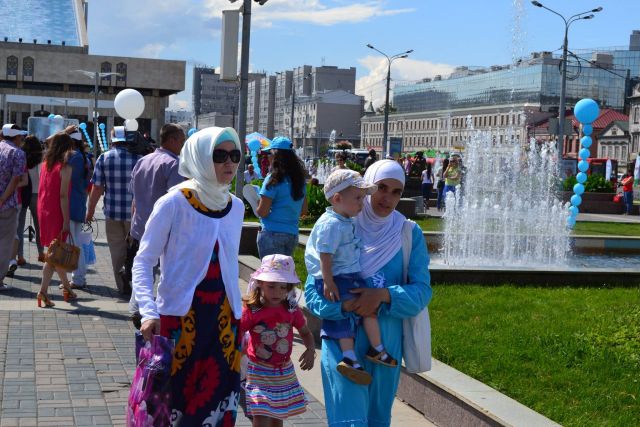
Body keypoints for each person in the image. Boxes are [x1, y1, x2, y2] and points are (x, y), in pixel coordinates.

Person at [304, 159, 432, 427]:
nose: (387, 198)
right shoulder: (336, 226)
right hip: (342, 344)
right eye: (381, 187)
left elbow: (421, 292)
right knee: (348, 421)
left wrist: (383, 295)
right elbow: (313, 293)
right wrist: (345, 307)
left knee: (376, 419)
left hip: (385, 347)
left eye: (396, 191)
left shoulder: (408, 233)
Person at [132, 127, 245, 426]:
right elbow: (143, 261)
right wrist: (147, 310)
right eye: (219, 156)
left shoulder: (235, 207)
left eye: (234, 155)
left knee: (219, 404)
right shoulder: (174, 203)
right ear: (200, 157)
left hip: (223, 324)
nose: (229, 164)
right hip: (181, 322)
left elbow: (230, 266)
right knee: (173, 407)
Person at [306, 169, 398, 386]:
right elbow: (325, 254)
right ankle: (350, 356)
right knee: (344, 315)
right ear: (337, 198)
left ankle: (376, 349)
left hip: (348, 275)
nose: (362, 203)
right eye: (358, 198)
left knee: (367, 309)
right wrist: (328, 281)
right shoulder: (331, 223)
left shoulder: (344, 220)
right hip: (337, 278)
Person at [241, 254, 316, 425]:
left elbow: (305, 332)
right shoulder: (253, 310)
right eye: (271, 286)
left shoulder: (291, 310)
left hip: (282, 370)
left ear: (289, 288)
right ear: (260, 284)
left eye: (282, 287)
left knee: (277, 416)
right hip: (258, 370)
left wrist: (311, 350)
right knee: (260, 415)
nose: (277, 292)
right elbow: (237, 334)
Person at [127, 123, 186, 326]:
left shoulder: (143, 161)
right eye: (182, 139)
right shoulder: (174, 164)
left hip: (140, 224)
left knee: (143, 265)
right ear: (173, 140)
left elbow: (134, 195)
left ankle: (137, 306)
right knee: (165, 269)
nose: (184, 144)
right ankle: (157, 308)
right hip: (164, 227)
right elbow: (177, 200)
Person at [86, 126, 142, 295]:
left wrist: (90, 212)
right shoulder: (139, 159)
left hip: (112, 213)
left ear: (112, 140)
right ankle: (136, 282)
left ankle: (121, 285)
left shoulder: (104, 158)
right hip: (135, 215)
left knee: (116, 250)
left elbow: (97, 187)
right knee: (136, 250)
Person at [36, 132, 79, 307]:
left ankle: (65, 288)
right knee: (54, 255)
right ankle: (43, 291)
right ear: (66, 149)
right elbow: (63, 196)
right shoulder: (65, 168)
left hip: (43, 210)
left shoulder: (44, 164)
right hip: (56, 213)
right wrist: (66, 220)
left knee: (54, 252)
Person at [255, 137, 307, 258]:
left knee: (269, 275)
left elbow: (262, 212)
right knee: (283, 275)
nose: (267, 157)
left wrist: (257, 202)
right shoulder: (299, 180)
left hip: (271, 233)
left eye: (269, 153)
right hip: (292, 235)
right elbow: (303, 210)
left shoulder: (273, 178)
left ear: (275, 156)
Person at [0, 124, 28, 290]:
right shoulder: (18, 153)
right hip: (7, 204)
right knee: (4, 243)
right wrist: (3, 198)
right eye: (21, 137)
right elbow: (16, 179)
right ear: (16, 137)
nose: (22, 139)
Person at [65, 129, 92, 289]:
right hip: (79, 202)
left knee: (74, 243)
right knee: (76, 241)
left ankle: (78, 278)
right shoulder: (84, 158)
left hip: (71, 202)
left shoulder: (72, 157)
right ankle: (78, 277)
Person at [16, 135, 44, 265]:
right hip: (37, 194)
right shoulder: (41, 158)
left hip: (23, 193)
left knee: (19, 227)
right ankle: (41, 253)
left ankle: (20, 256)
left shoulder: (22, 157)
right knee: (39, 227)